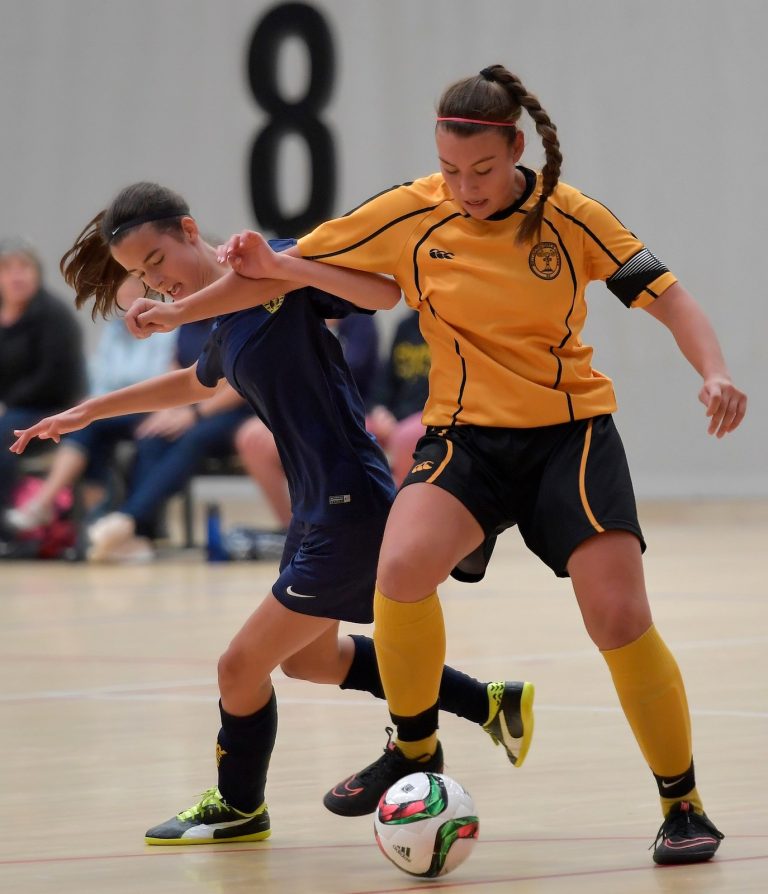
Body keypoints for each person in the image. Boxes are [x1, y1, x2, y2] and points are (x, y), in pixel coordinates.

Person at [134, 66, 748, 865]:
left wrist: (714, 371)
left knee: (618, 618)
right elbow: (270, 275)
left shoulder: (572, 216)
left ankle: (682, 804)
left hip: (570, 437)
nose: (465, 188)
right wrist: (181, 309)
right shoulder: (411, 210)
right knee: (400, 567)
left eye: (482, 171)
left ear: (517, 149)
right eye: (450, 170)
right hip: (465, 439)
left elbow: (668, 295)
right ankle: (414, 748)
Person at [10, 181, 534, 844]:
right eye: (142, 275)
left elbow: (381, 293)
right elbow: (194, 382)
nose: (156, 282)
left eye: (157, 261)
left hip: (350, 501)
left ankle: (239, 805)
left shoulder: (272, 264)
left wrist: (285, 269)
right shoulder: (221, 319)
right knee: (310, 661)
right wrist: (86, 411)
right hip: (316, 508)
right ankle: (489, 702)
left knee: (239, 667)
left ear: (189, 230)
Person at [4, 276, 176, 537]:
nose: (129, 292)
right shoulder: (113, 330)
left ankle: (50, 503)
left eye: (136, 286)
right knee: (84, 430)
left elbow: (154, 378)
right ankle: (88, 521)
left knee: (100, 427)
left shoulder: (165, 326)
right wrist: (91, 405)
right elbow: (99, 377)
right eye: (123, 287)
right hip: (113, 407)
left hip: (149, 407)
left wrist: (102, 402)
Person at [234, 309, 379, 534]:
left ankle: (341, 523)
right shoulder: (293, 312)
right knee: (251, 439)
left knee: (316, 440)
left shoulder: (357, 318)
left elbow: (349, 372)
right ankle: (292, 529)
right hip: (304, 411)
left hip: (355, 411)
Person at [0, 237, 86, 532]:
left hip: (51, 408)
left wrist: (6, 403)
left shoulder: (54, 316)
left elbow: (53, 379)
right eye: (7, 268)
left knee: (5, 432)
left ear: (36, 273)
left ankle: (7, 529)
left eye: (24, 267)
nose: (16, 276)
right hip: (11, 408)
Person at [366, 309, 430, 485]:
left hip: (427, 416)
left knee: (404, 437)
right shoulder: (405, 327)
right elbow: (386, 379)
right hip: (396, 415)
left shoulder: (445, 329)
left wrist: (397, 420)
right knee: (357, 430)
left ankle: (402, 497)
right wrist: (380, 409)